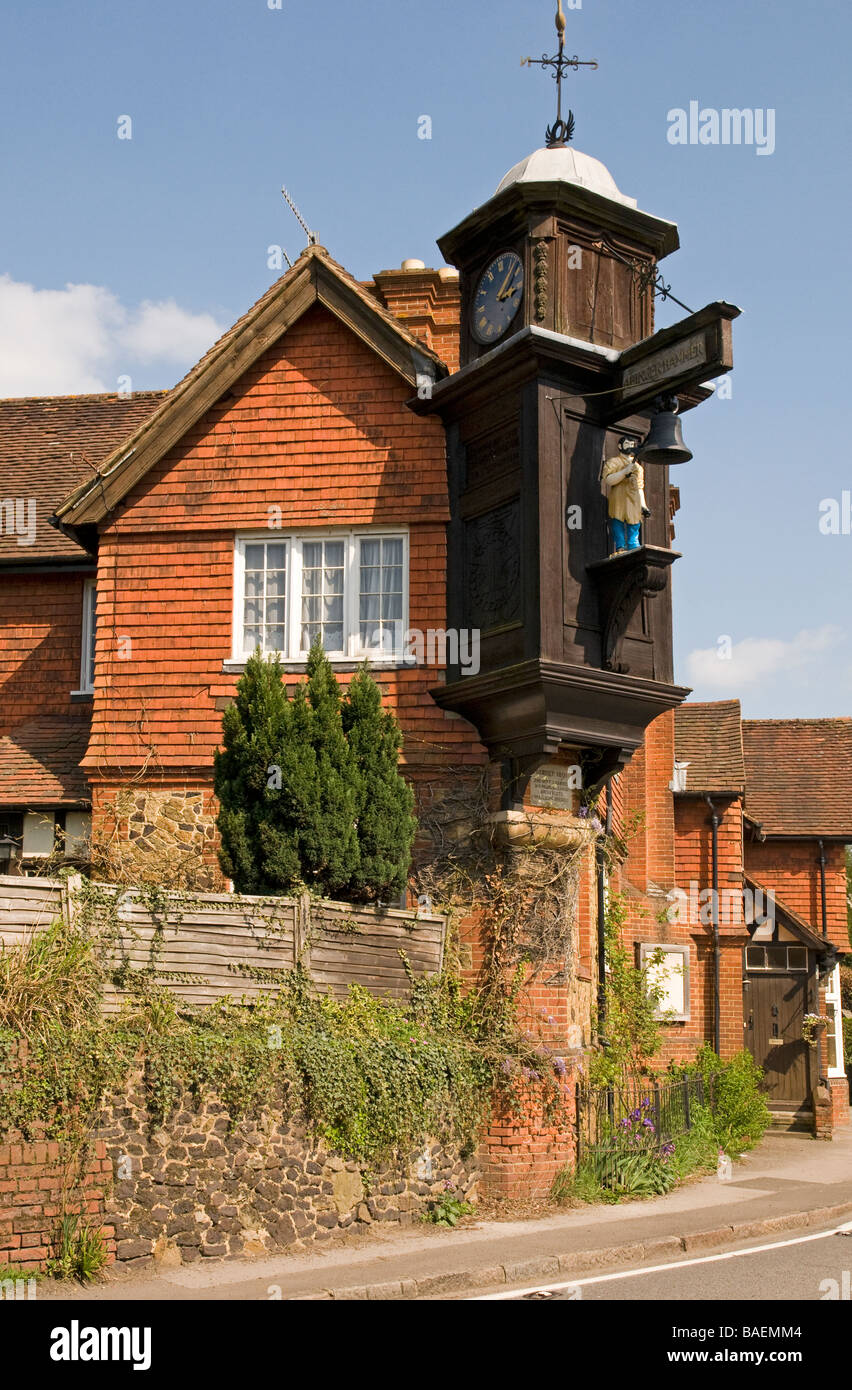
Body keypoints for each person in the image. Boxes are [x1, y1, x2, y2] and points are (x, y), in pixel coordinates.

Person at [601, 435, 650, 553]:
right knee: (617, 521)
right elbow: (608, 479)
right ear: (620, 446)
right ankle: (620, 546)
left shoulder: (637, 467)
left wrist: (643, 505)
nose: (629, 447)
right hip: (619, 497)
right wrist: (624, 472)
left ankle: (633, 545)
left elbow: (639, 487)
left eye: (632, 445)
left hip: (633, 498)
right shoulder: (614, 462)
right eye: (627, 444)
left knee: (634, 523)